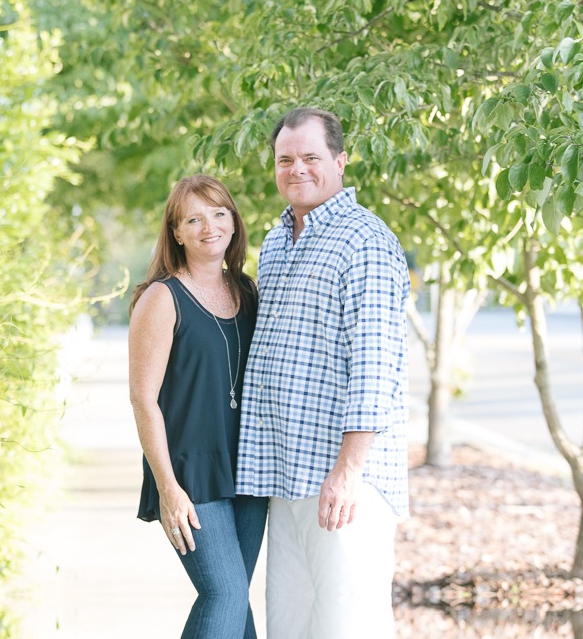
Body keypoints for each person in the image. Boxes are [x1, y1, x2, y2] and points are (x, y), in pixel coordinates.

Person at [236, 108, 411, 638]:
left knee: (347, 627)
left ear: (339, 160)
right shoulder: (276, 243)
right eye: (285, 159)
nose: (297, 169)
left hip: (343, 480)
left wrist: (348, 470)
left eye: (311, 157)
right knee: (289, 628)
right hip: (285, 475)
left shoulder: (365, 241)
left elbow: (375, 366)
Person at [128, 174, 268, 639]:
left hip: (246, 465)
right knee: (224, 594)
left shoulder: (248, 293)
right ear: (177, 232)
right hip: (189, 472)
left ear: (234, 221)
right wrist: (168, 488)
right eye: (194, 218)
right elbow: (143, 399)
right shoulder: (162, 298)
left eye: (219, 213)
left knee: (236, 595)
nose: (210, 226)